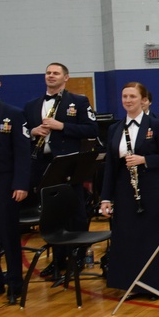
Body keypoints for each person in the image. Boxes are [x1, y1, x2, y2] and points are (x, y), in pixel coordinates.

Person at [24, 62, 98, 281]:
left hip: (68, 164)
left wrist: (62, 126)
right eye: (48, 73)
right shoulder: (31, 105)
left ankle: (77, 257)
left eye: (56, 73)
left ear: (66, 77)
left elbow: (91, 129)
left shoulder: (79, 101)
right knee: (51, 215)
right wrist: (32, 132)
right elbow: (23, 132)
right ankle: (57, 260)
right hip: (42, 164)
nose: (51, 76)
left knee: (75, 212)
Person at [99, 83, 159, 297]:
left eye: (132, 96)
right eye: (124, 96)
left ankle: (155, 284)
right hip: (124, 188)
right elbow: (110, 167)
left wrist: (144, 160)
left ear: (143, 100)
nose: (128, 100)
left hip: (150, 187)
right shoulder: (114, 128)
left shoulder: (156, 125)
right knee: (127, 237)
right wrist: (105, 198)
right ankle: (130, 284)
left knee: (151, 236)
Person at [0, 68, 30, 304]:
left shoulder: (13, 114)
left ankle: (15, 283)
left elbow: (22, 153)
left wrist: (21, 184)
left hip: (3, 182)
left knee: (7, 235)